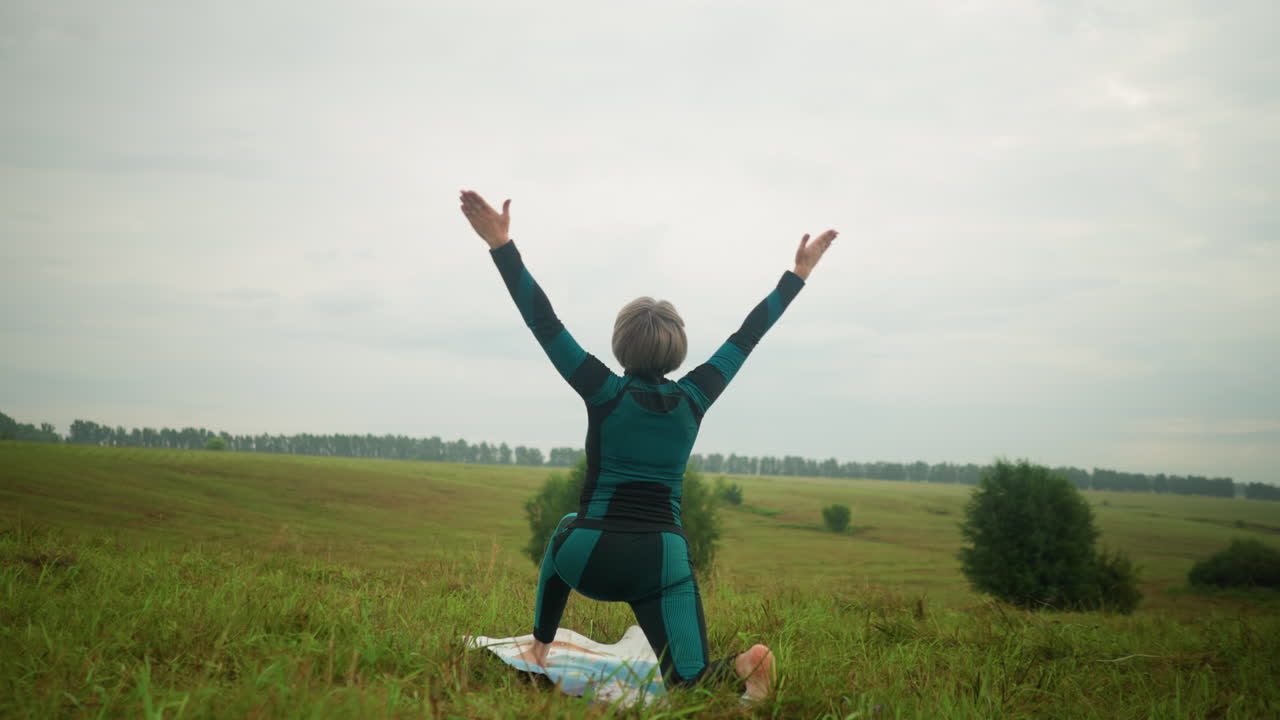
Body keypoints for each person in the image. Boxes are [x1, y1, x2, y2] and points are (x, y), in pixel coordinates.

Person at [459, 189, 837, 700]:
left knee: (564, 528)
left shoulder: (602, 389)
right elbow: (747, 336)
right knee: (689, 683)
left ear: (620, 344)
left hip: (588, 558)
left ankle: (542, 643)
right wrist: (798, 275)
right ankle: (750, 664)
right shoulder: (695, 397)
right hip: (660, 563)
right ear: (677, 350)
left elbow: (543, 323)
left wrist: (501, 245)